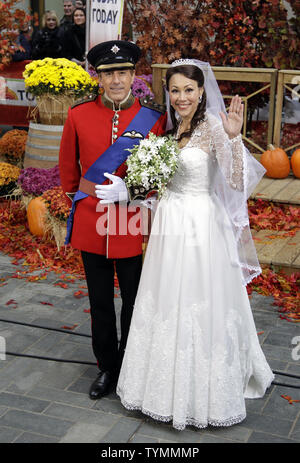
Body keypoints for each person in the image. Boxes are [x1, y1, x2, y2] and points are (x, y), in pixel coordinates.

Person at [116, 59, 274, 430]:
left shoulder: (214, 127)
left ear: (202, 92)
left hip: (199, 227)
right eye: (175, 90)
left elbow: (237, 182)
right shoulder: (173, 128)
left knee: (195, 301)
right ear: (168, 93)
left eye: (189, 90)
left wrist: (235, 138)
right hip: (169, 224)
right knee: (166, 299)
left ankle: (199, 393)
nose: (181, 97)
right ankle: (158, 387)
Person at [59, 40, 167, 400]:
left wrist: (133, 192)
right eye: (109, 73)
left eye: (122, 72)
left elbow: (161, 173)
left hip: (131, 221)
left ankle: (132, 365)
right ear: (98, 77)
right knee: (101, 301)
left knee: (135, 300)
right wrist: (83, 200)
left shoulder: (153, 118)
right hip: (92, 221)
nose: (116, 79)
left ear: (133, 75)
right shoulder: (78, 115)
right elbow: (68, 173)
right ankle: (107, 366)